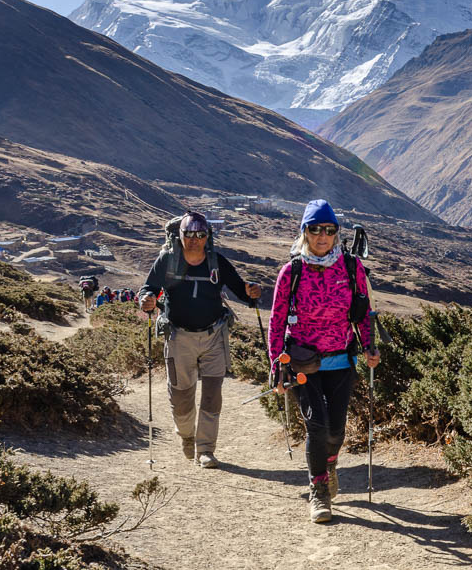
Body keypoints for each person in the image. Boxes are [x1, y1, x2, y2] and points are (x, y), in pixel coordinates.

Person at [268, 199, 380, 523]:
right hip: (303, 363)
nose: (322, 236)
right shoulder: (291, 272)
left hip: (341, 361)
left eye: (329, 230)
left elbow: (362, 313)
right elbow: (277, 323)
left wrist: (370, 347)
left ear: (336, 233)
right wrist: (277, 365)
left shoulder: (351, 267)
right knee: (316, 427)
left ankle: (329, 463)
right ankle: (318, 491)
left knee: (336, 429)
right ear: (305, 232)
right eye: (315, 229)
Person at [139, 211, 262, 469]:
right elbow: (148, 288)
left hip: (214, 335)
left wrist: (252, 292)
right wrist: (147, 299)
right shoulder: (167, 261)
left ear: (208, 236)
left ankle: (206, 449)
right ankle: (187, 435)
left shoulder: (217, 262)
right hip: (178, 336)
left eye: (200, 235)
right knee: (181, 397)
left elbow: (241, 291)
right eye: (189, 235)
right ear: (180, 236)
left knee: (212, 395)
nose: (195, 240)